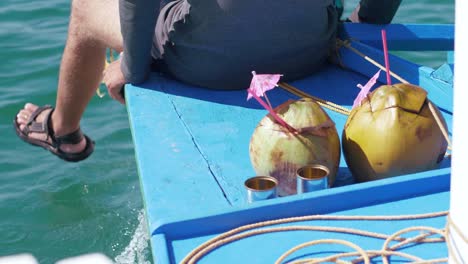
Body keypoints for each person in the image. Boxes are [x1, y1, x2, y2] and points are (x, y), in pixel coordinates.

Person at [13, 0, 402, 162]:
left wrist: (132, 69)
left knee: (86, 8)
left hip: (208, 67)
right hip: (312, 47)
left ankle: (63, 132)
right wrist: (370, 21)